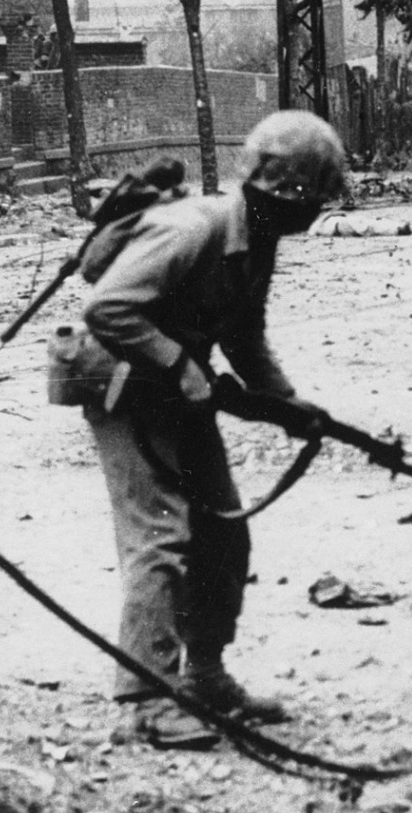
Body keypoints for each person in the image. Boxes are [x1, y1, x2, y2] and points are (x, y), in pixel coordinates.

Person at [49, 112, 346, 750]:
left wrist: (289, 407)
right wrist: (183, 366)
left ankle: (205, 675)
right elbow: (109, 308)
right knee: (161, 533)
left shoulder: (256, 242)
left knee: (222, 526)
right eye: (308, 203)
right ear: (276, 194)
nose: (311, 217)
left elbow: (242, 337)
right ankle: (148, 700)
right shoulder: (193, 227)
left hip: (170, 382)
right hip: (120, 379)